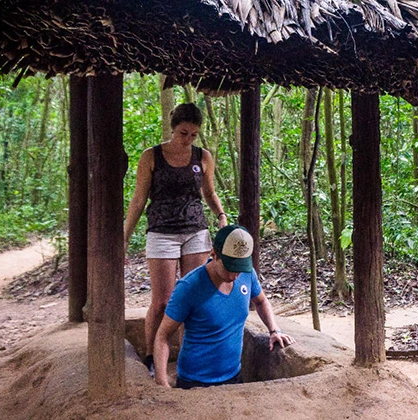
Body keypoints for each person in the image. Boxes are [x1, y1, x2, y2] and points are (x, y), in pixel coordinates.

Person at [123, 103, 229, 376]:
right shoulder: (152, 157)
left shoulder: (202, 157)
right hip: (161, 232)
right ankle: (150, 355)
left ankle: (188, 354)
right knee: (163, 301)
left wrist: (221, 215)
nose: (188, 139)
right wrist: (124, 238)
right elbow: (138, 199)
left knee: (193, 296)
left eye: (193, 135)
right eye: (183, 133)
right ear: (173, 128)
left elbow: (209, 193)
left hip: (195, 230)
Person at [153, 225, 294, 389]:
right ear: (214, 254)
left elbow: (261, 301)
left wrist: (274, 330)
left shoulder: (247, 274)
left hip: (234, 376)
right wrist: (162, 381)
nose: (235, 275)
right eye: (230, 267)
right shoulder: (188, 287)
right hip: (195, 382)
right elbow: (163, 336)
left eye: (240, 268)